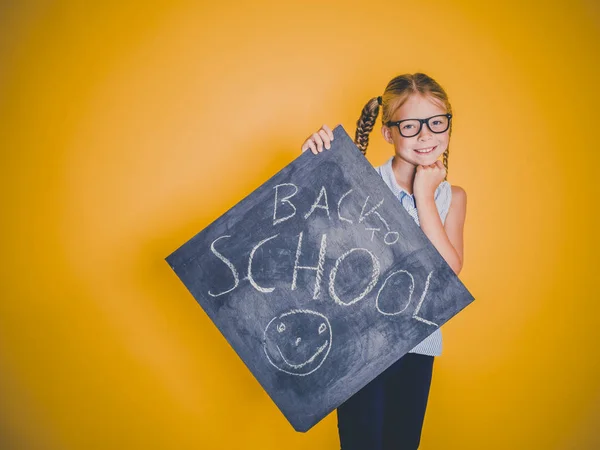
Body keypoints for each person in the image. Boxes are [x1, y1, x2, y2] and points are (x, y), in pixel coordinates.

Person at [300, 72, 467, 450]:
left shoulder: (451, 198)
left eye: (436, 123)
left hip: (417, 346)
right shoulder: (353, 181)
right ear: (388, 132)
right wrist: (310, 168)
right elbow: (311, 242)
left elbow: (448, 273)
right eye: (410, 126)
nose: (426, 136)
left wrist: (424, 195)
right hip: (356, 345)